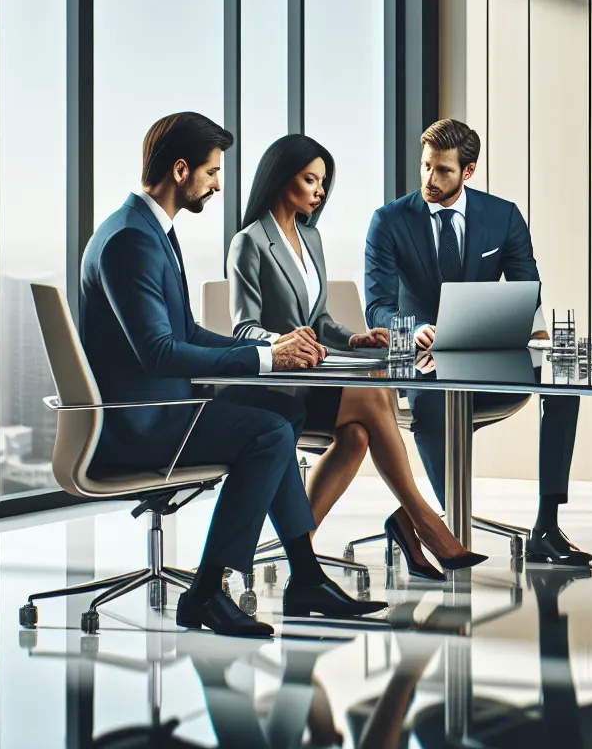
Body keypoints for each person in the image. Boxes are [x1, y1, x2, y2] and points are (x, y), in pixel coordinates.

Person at [79, 112, 382, 637]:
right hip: (142, 423)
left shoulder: (150, 230)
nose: (219, 184)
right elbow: (158, 353)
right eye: (213, 172)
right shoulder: (130, 240)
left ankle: (305, 575)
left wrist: (275, 350)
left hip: (164, 408)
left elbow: (187, 332)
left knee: (282, 411)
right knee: (267, 432)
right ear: (180, 170)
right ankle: (205, 592)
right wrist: (267, 358)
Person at [229, 134, 485, 581]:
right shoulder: (249, 242)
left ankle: (301, 555)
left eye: (323, 182)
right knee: (372, 397)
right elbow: (243, 330)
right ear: (280, 178)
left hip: (317, 377)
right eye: (310, 180)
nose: (319, 191)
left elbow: (321, 318)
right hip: (278, 383)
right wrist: (284, 342)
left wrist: (356, 339)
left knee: (357, 438)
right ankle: (423, 520)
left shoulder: (311, 237)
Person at [364, 119, 590, 568]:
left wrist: (538, 331)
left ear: (467, 172)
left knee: (565, 379)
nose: (430, 179)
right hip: (425, 361)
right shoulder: (389, 221)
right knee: (433, 405)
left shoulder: (501, 215)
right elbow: (377, 307)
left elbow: (528, 288)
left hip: (489, 361)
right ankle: (442, 522)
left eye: (443, 170)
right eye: (426, 166)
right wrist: (411, 327)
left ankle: (546, 526)